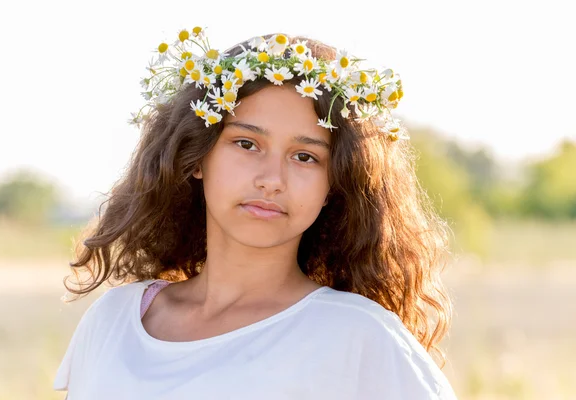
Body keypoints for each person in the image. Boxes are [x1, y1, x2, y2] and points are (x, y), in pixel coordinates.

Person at [54, 27, 457, 399]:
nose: (272, 179)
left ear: (333, 185)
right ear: (197, 157)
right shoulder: (113, 320)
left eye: (305, 156)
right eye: (246, 144)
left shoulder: (360, 335)